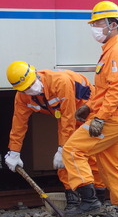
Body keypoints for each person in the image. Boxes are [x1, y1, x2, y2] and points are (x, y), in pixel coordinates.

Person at [62, 0, 118, 217]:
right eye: (93, 23)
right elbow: (107, 90)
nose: (94, 27)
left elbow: (116, 90)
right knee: (113, 169)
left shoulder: (115, 51)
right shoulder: (113, 49)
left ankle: (88, 199)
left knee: (72, 150)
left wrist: (100, 117)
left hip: (114, 118)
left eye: (98, 23)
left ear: (113, 24)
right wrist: (90, 107)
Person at [4, 62, 107, 209]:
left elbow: (68, 117)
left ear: (36, 74)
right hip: (67, 117)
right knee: (65, 159)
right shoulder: (22, 96)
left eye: (32, 83)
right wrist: (14, 151)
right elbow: (19, 124)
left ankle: (97, 198)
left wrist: (62, 148)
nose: (30, 89)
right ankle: (73, 200)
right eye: (26, 88)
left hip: (89, 112)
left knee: (87, 155)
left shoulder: (60, 82)